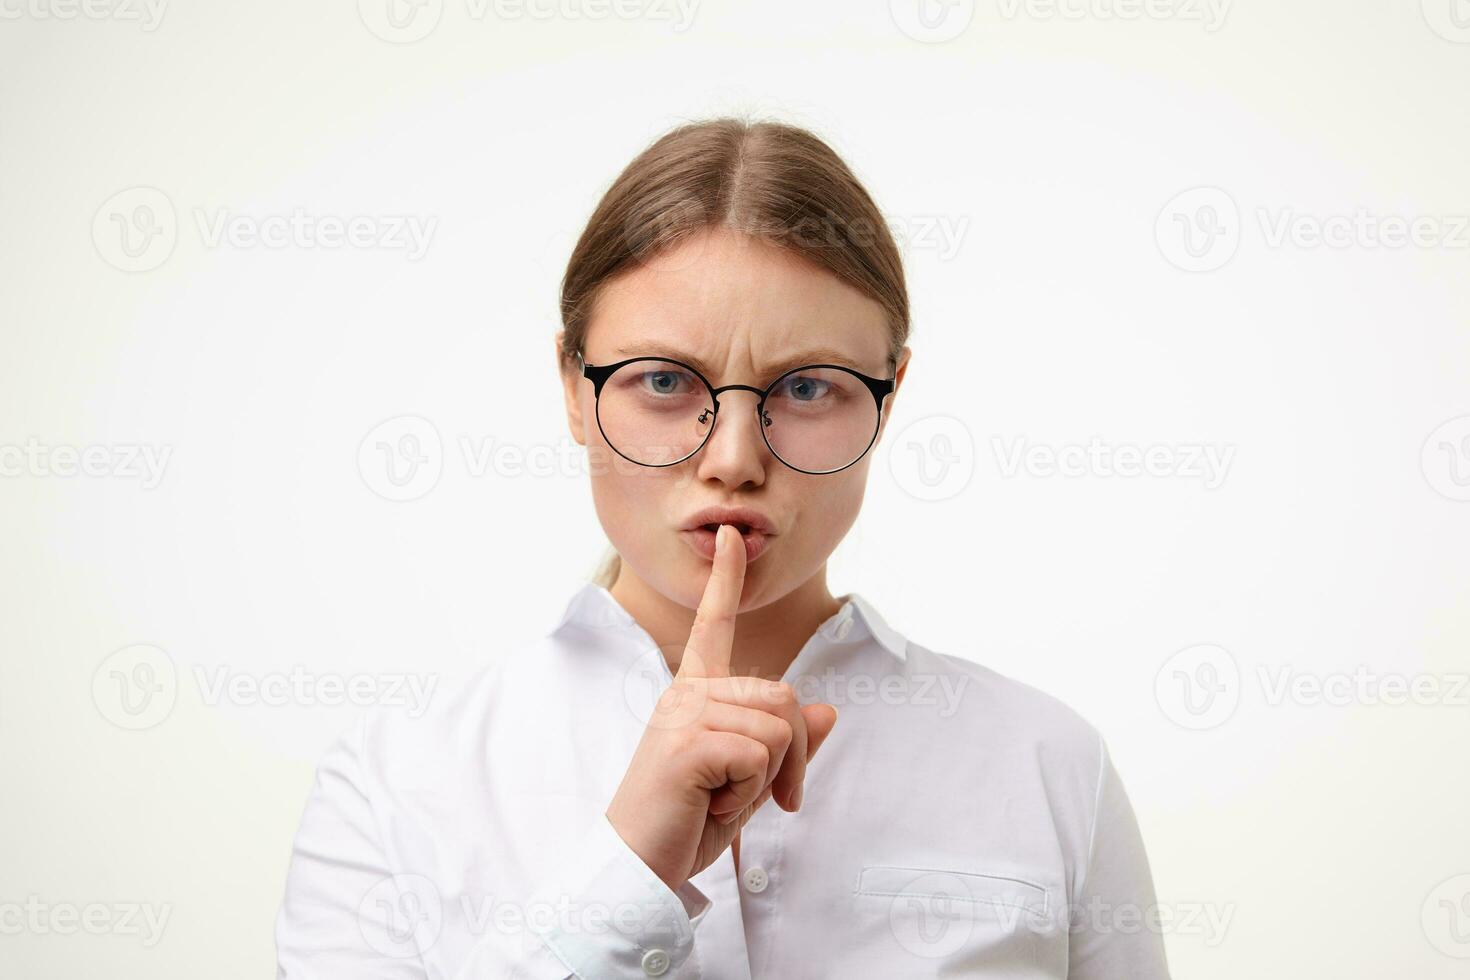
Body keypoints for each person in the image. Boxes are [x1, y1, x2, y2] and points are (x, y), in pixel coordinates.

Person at [275, 117, 1171, 978]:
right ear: (572, 387)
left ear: (890, 398)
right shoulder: (396, 786)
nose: (735, 460)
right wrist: (626, 869)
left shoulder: (1046, 766)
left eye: (810, 388)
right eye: (663, 382)